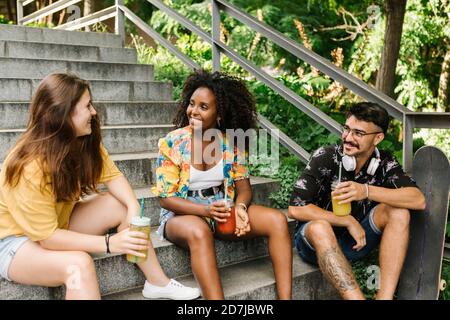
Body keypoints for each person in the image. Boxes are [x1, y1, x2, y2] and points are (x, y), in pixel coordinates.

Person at [0, 73, 200, 300]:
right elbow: (48, 238)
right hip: (14, 243)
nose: (94, 112)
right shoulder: (29, 165)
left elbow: (113, 177)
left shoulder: (80, 141)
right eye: (87, 106)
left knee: (119, 204)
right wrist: (109, 243)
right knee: (79, 264)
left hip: (56, 225)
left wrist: (133, 210)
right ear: (63, 114)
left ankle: (158, 282)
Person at [152, 70, 292, 300]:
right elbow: (165, 198)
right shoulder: (173, 142)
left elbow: (244, 188)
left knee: (277, 220)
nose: (193, 111)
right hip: (181, 212)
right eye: (191, 104)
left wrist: (240, 207)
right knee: (199, 232)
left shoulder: (232, 143)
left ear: (219, 114)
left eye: (203, 107)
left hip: (220, 207)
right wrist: (204, 211)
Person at [288, 102, 426, 300]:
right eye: (346, 129)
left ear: (377, 138)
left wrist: (366, 191)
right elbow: (295, 209)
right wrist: (346, 220)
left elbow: (418, 200)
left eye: (358, 133)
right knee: (320, 227)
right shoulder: (326, 156)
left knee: (399, 212)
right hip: (315, 243)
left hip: (357, 243)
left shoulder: (384, 162)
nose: (347, 137)